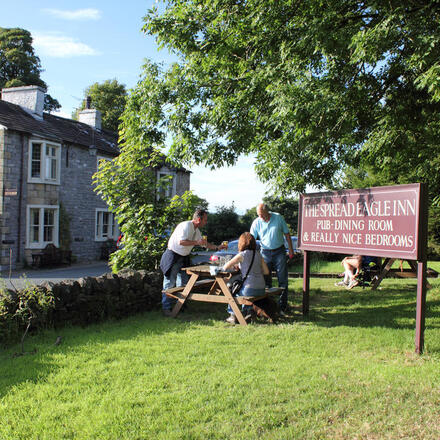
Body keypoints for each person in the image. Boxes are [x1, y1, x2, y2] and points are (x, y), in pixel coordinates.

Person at [160, 208, 225, 316]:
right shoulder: (186, 226)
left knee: (184, 283)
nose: (206, 222)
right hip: (173, 256)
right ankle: (166, 308)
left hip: (184, 258)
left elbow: (204, 244)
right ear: (199, 219)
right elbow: (181, 242)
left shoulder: (196, 230)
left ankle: (179, 306)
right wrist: (196, 242)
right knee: (170, 284)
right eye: (205, 220)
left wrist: (218, 247)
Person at [250, 203, 294, 314]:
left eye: (262, 214)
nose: (261, 217)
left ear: (267, 211)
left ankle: (283, 307)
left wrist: (291, 250)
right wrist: (250, 254)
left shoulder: (278, 217)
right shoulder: (256, 222)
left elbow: (287, 234)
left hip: (279, 251)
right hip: (264, 253)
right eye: (259, 215)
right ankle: (269, 308)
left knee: (282, 280)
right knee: (265, 281)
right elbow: (251, 239)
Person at [222, 232, 269, 324]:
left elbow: (225, 267)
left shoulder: (242, 255)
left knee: (231, 289)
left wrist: (237, 267)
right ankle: (248, 311)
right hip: (261, 288)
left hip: (250, 288)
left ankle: (233, 315)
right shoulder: (259, 255)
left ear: (241, 243)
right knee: (243, 290)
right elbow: (266, 271)